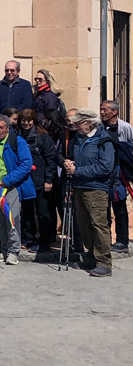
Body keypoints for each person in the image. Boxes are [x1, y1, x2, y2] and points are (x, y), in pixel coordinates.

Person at [66, 108, 115, 277]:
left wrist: (77, 170)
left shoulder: (103, 140)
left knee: (98, 225)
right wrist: (70, 164)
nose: (76, 125)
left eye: (79, 122)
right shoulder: (80, 138)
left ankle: (104, 262)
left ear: (89, 122)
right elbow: (80, 160)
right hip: (80, 187)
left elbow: (105, 167)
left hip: (96, 188)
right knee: (84, 224)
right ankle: (91, 256)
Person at [0, 114, 34, 266]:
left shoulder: (17, 141)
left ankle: (13, 251)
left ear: (8, 128)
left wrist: (8, 180)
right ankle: (4, 250)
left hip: (11, 186)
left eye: (1, 128)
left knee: (12, 220)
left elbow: (26, 164)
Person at [16, 108, 64, 253]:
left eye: (29, 120)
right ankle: (28, 238)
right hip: (24, 180)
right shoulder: (17, 136)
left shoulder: (43, 137)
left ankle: (45, 241)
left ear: (34, 121)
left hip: (41, 180)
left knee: (44, 212)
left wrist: (48, 180)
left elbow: (51, 159)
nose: (26, 123)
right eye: (23, 120)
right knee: (27, 211)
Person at [99, 99, 131, 254]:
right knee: (103, 208)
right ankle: (105, 240)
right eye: (102, 109)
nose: (103, 112)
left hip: (119, 173)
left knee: (119, 207)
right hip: (103, 173)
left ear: (115, 111)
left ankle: (122, 240)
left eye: (105, 110)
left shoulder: (124, 127)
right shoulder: (99, 127)